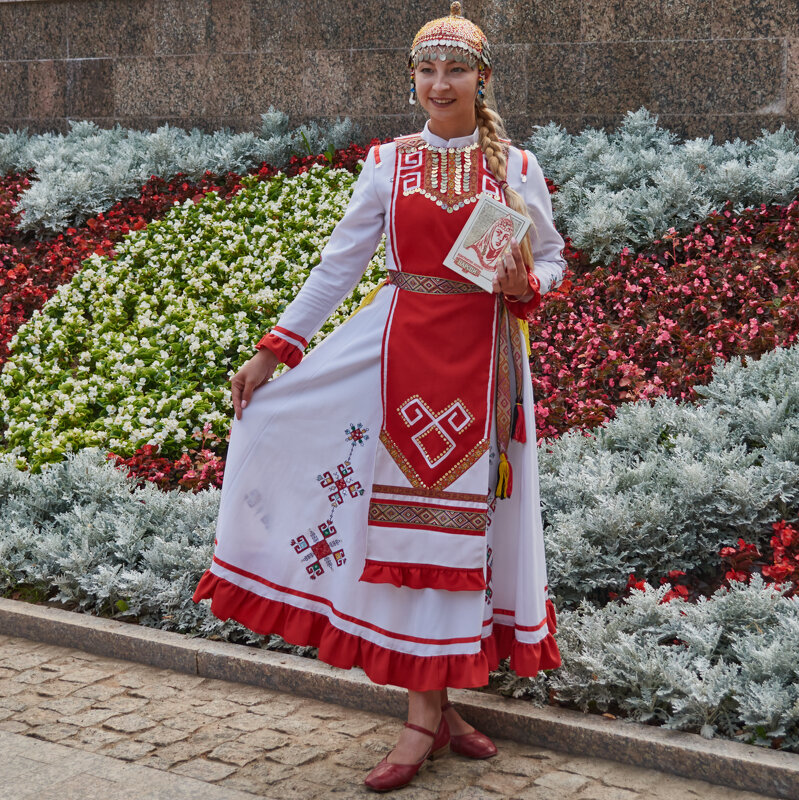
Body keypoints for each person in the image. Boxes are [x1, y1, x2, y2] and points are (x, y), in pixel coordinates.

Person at [193, 2, 565, 792]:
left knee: (465, 539)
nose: (440, 84)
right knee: (401, 536)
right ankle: (426, 716)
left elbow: (555, 262)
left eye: (455, 69)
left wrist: (525, 281)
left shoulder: (517, 169)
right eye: (426, 70)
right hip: (394, 356)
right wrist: (274, 351)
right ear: (411, 80)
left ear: (483, 78)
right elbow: (338, 265)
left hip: (487, 367)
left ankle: (437, 711)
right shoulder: (388, 163)